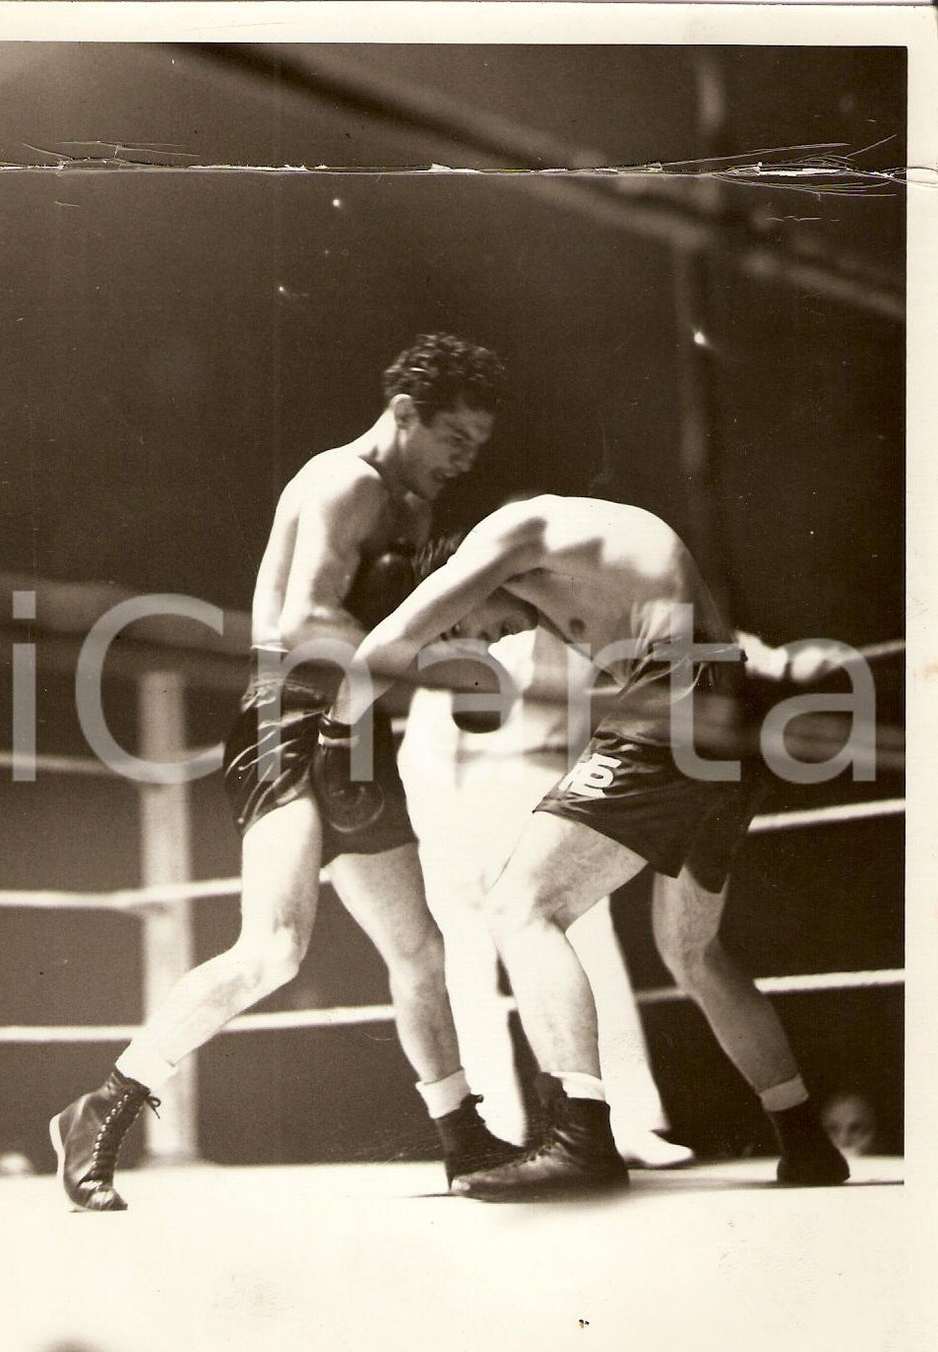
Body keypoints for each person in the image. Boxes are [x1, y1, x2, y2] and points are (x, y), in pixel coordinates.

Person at [50, 333, 519, 1210]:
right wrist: (418, 656)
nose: (466, 459)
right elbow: (304, 617)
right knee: (273, 948)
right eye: (456, 437)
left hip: (359, 727)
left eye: (479, 446)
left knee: (420, 947)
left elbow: (386, 639)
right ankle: (102, 1107)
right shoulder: (344, 481)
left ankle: (462, 1136)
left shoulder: (411, 507)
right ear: (405, 413)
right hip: (288, 719)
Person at [320, 492, 851, 1200]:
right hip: (721, 713)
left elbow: (389, 642)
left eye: (471, 630)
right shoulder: (584, 579)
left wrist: (334, 740)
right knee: (694, 951)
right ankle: (807, 1141)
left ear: (464, 588)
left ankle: (581, 1139)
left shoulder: (508, 531)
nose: (492, 640)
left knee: (520, 907)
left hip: (680, 699)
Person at [399, 625, 695, 1166]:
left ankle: (624, 1118)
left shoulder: (562, 625)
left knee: (587, 949)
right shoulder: (438, 644)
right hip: (446, 809)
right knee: (466, 968)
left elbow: (651, 639)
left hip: (540, 800)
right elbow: (423, 742)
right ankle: (498, 1129)